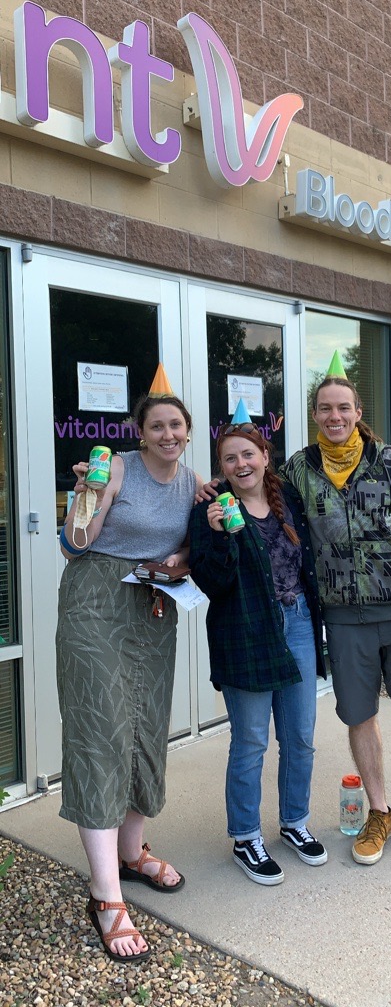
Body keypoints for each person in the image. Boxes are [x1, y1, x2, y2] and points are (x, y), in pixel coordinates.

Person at [279, 356, 391, 867]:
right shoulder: (299, 469)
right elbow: (259, 499)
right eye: (324, 409)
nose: (334, 416)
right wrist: (211, 491)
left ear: (358, 411)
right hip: (341, 618)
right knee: (359, 717)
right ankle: (378, 811)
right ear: (315, 416)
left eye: (343, 407)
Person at [56, 381, 201, 962]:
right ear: (140, 433)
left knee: (144, 727)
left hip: (152, 608)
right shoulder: (113, 469)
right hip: (95, 605)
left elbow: (193, 548)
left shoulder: (192, 483)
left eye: (177, 425)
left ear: (188, 433)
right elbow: (73, 545)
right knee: (101, 731)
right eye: (157, 426)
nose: (168, 434)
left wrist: (178, 562)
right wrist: (86, 497)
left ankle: (131, 853)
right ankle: (106, 894)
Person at [188, 403, 327, 886]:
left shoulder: (287, 496)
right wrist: (221, 535)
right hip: (245, 630)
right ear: (220, 466)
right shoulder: (209, 508)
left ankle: (295, 822)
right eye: (229, 459)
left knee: (301, 737)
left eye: (248, 454)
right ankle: (246, 835)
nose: (240, 464)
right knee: (250, 741)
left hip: (299, 624)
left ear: (265, 456)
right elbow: (212, 582)